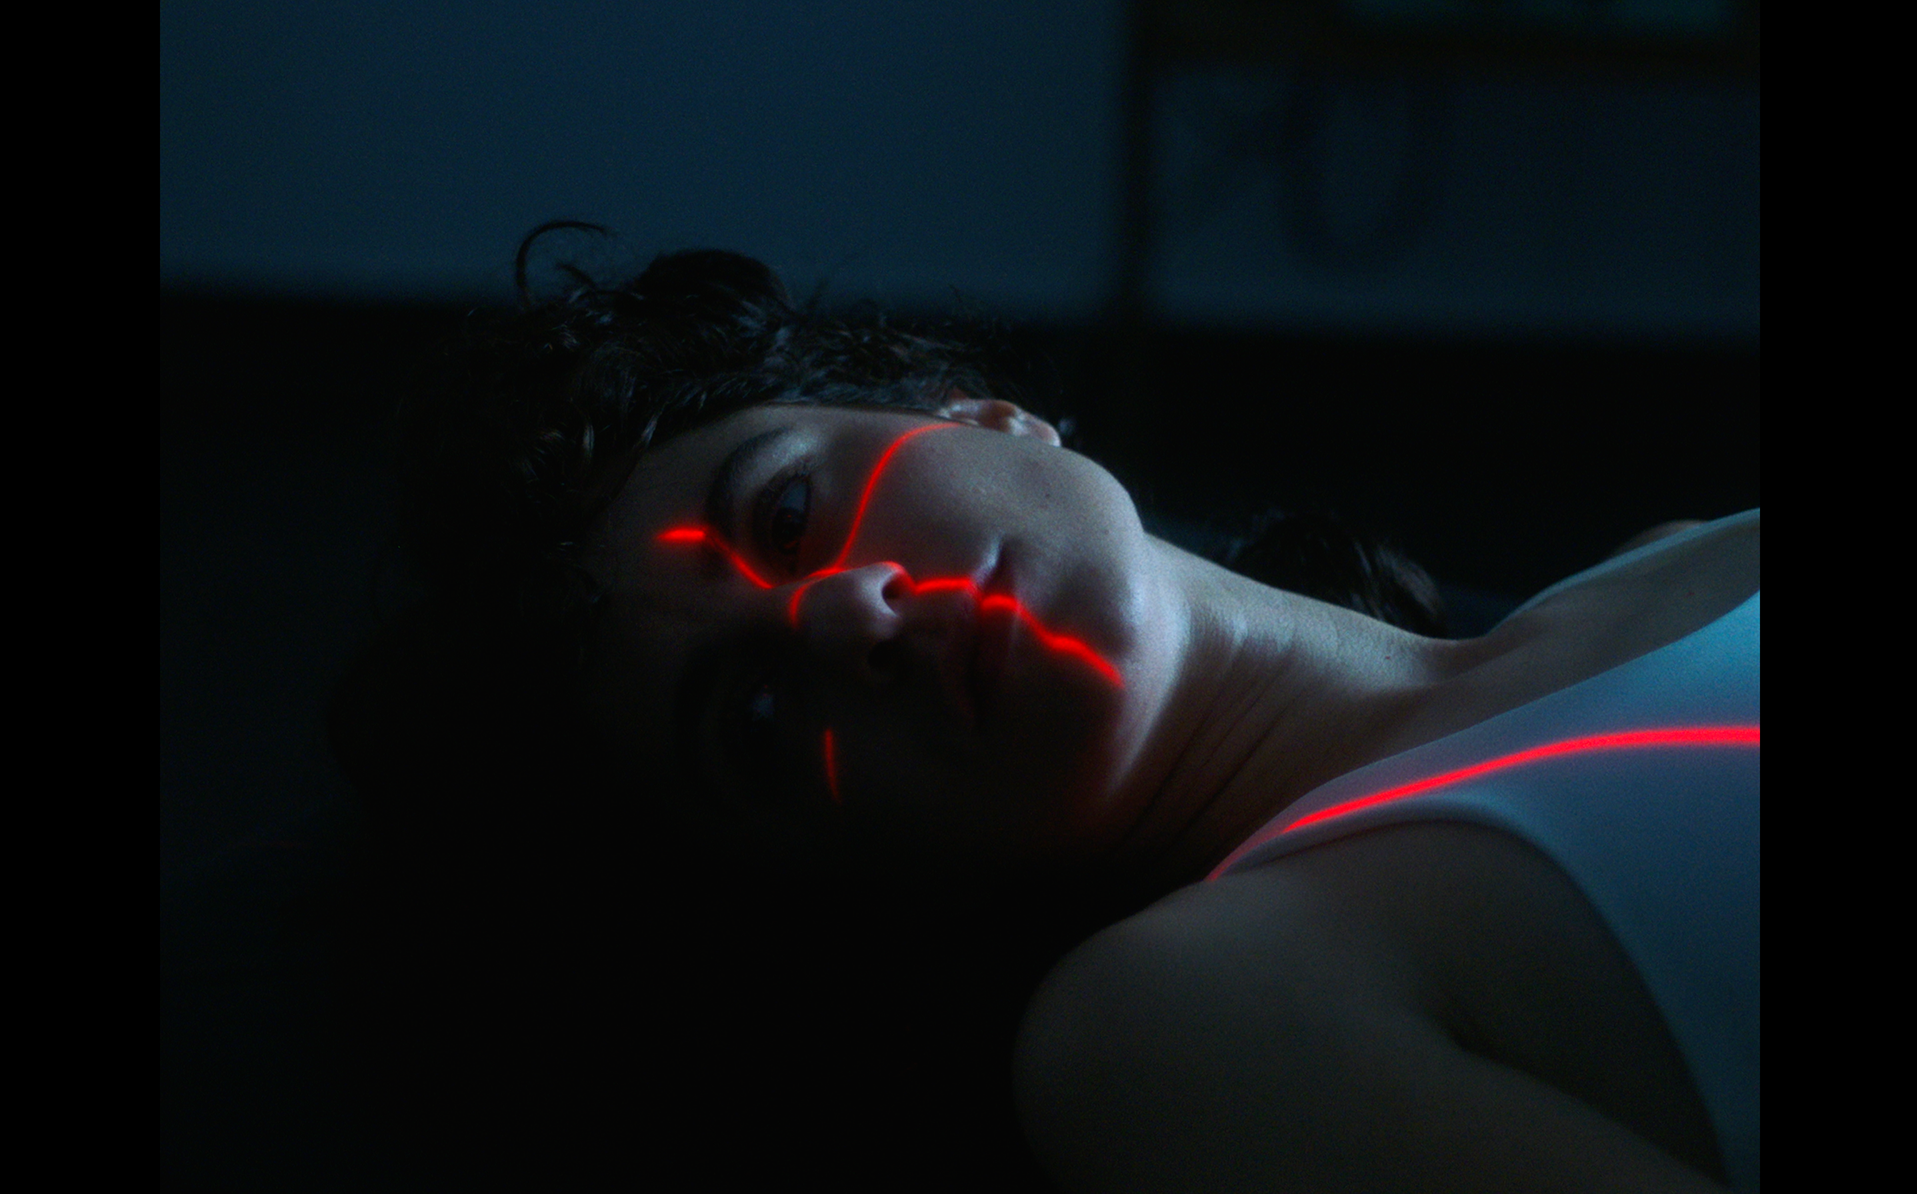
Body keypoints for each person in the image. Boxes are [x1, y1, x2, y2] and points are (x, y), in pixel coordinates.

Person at [331, 224, 1757, 1192]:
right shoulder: (1181, 1029)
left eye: (787, 512)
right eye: (754, 723)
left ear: (976, 412)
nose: (842, 619)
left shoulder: (1672, 556)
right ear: (856, 888)